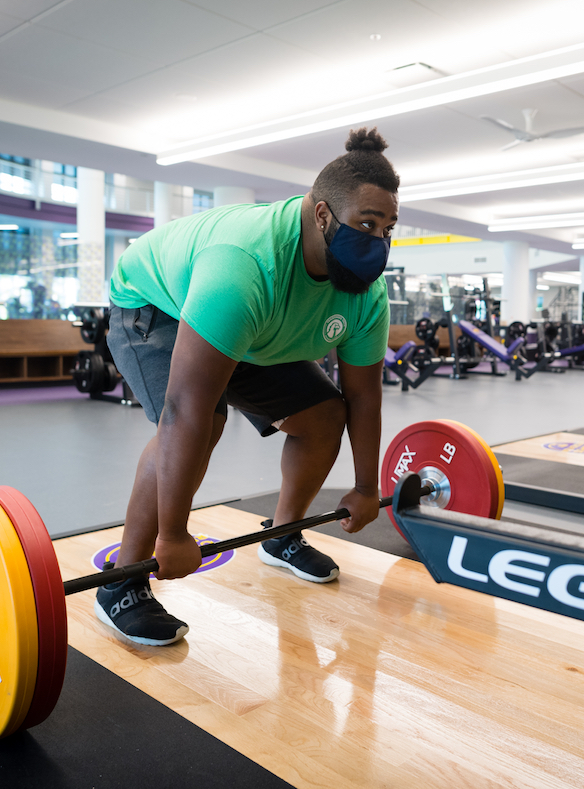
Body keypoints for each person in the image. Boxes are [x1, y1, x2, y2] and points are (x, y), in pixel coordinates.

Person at [95, 128, 399, 645]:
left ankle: (281, 536)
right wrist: (172, 535)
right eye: (366, 224)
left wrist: (368, 487)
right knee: (205, 420)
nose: (379, 242)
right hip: (156, 304)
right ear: (323, 215)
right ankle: (122, 583)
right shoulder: (243, 264)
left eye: (389, 228)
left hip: (254, 328)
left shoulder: (366, 295)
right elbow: (183, 410)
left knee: (324, 416)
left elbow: (363, 397)